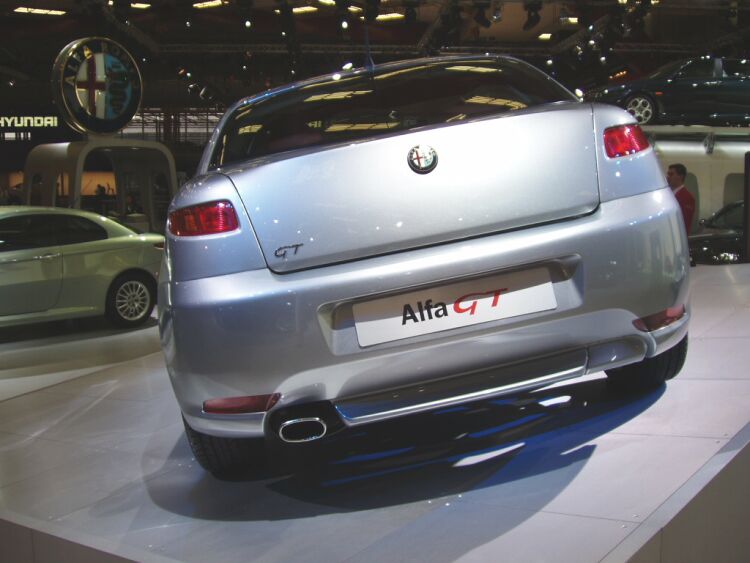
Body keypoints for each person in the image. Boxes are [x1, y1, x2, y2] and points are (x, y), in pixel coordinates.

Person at [666, 163, 695, 234]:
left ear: (680, 176)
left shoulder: (686, 197)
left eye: (671, 174)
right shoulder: (669, 194)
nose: (668, 177)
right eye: (668, 174)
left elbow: (684, 222)